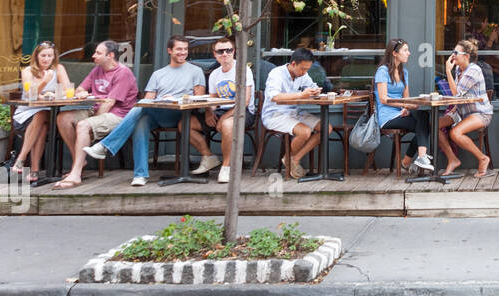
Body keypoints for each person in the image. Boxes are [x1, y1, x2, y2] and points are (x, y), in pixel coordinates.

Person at [84, 35, 206, 186]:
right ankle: (140, 175)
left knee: (141, 107)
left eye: (185, 49)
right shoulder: (158, 74)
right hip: (158, 112)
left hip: (181, 114)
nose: (183, 52)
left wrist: (175, 98)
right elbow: (148, 100)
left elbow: (199, 99)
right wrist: (161, 100)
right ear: (169, 50)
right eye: (179, 49)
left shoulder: (196, 71)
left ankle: (105, 146)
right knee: (141, 121)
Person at [52, 40, 139, 189]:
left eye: (98, 53)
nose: (93, 56)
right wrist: (82, 93)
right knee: (63, 118)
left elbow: (109, 103)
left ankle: (76, 173)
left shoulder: (123, 72)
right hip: (96, 109)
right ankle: (79, 160)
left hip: (118, 115)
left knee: (83, 125)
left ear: (110, 55)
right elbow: (80, 89)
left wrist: (90, 122)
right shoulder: (97, 70)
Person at [11, 41, 73, 184]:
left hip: (48, 114)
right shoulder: (28, 71)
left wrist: (50, 94)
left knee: (42, 117)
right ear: (36, 56)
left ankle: (23, 160)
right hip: (25, 114)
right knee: (41, 119)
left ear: (54, 57)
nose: (46, 59)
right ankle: (33, 168)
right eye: (43, 55)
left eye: (49, 56)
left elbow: (68, 89)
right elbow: (30, 94)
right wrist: (44, 82)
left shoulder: (59, 68)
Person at [260, 47, 323, 179]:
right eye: (303, 69)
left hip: (294, 112)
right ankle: (290, 159)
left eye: (307, 69)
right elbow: (275, 97)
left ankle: (293, 159)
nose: (304, 72)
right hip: (274, 114)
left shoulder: (303, 74)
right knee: (305, 132)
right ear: (293, 64)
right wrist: (301, 94)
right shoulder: (276, 74)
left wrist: (315, 90)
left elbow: (311, 86)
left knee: (326, 128)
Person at [374, 38, 434, 174]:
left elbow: (406, 98)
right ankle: (417, 158)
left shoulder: (403, 72)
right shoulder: (382, 71)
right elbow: (383, 99)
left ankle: (415, 159)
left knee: (424, 117)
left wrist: (408, 107)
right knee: (424, 126)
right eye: (405, 50)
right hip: (387, 117)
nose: (409, 53)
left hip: (401, 112)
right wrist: (404, 105)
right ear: (395, 53)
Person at [438, 38, 494, 178]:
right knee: (434, 125)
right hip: (461, 112)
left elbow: (456, 93)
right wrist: (454, 108)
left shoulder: (473, 70)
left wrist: (447, 71)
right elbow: (458, 97)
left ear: (466, 56)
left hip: (480, 113)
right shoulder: (459, 69)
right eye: (453, 52)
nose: (453, 55)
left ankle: (482, 158)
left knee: (455, 133)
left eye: (456, 52)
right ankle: (452, 159)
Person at [205, 37, 255, 183]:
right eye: (220, 51)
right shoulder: (215, 74)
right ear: (215, 54)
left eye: (228, 50)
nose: (225, 54)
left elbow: (244, 102)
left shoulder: (243, 70)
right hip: (222, 111)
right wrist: (209, 112)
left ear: (234, 52)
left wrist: (223, 117)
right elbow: (213, 99)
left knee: (227, 125)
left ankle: (227, 167)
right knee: (187, 124)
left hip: (243, 112)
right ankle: (208, 157)